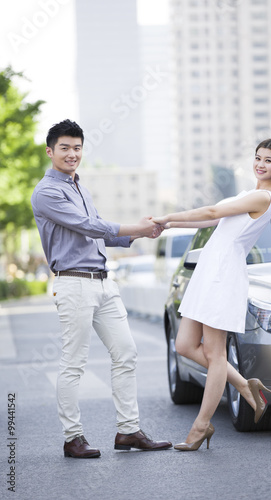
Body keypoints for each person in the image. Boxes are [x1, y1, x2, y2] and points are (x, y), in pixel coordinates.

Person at [31, 119, 172, 458]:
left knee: (126, 352)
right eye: (64, 147)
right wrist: (134, 226)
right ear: (50, 151)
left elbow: (100, 233)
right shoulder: (47, 191)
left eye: (77, 147)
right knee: (74, 363)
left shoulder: (80, 186)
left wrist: (141, 232)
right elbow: (88, 225)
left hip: (103, 282)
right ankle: (72, 437)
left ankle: (128, 431)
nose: (72, 153)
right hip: (74, 283)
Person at [153, 138, 271, 451]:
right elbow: (213, 218)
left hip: (223, 276)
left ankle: (201, 426)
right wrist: (169, 224)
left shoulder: (263, 197)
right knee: (184, 344)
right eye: (258, 158)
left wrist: (168, 216)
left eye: (269, 161)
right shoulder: (252, 194)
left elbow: (210, 208)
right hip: (209, 272)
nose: (260, 164)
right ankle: (247, 387)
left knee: (215, 353)